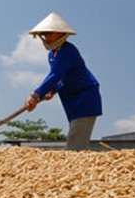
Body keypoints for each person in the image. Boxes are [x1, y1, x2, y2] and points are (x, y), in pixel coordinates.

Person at [24, 12, 102, 151]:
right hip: (71, 100)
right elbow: (61, 77)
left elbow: (55, 74)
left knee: (75, 142)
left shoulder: (68, 51)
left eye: (49, 34)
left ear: (60, 34)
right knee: (75, 137)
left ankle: (77, 170)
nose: (46, 38)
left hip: (84, 98)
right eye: (44, 34)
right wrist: (52, 91)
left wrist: (35, 95)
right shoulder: (52, 55)